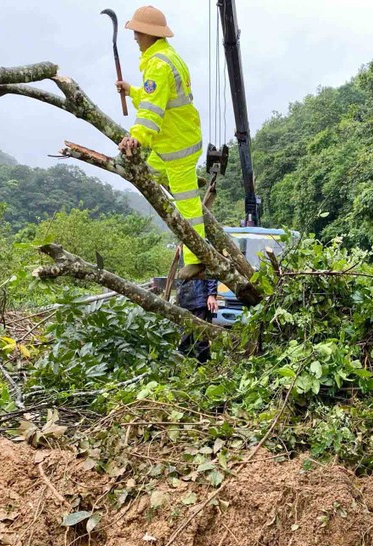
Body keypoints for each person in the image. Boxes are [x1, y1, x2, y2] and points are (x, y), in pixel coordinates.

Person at [116, 5, 206, 280]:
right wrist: (132, 91)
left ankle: (197, 258)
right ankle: (186, 178)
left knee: (187, 204)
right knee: (149, 175)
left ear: (148, 34)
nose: (134, 39)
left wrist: (136, 138)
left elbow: (152, 110)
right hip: (172, 144)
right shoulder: (167, 57)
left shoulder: (157, 64)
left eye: (137, 33)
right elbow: (155, 97)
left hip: (177, 147)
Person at [176, 253, 218, 363]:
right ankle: (184, 367)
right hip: (185, 299)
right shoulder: (183, 248)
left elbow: (211, 270)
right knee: (185, 337)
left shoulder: (201, 244)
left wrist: (211, 294)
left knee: (201, 337)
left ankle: (203, 366)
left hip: (200, 299)